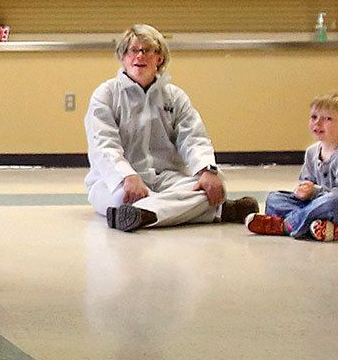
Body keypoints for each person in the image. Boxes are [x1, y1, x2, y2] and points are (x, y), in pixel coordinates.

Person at [84, 24, 259, 232]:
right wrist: (127, 176)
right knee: (123, 198)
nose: (140, 56)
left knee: (208, 187)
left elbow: (194, 138)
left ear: (159, 58)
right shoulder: (106, 95)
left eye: (147, 50)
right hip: (118, 182)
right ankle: (218, 211)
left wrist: (206, 170)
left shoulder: (174, 96)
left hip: (166, 177)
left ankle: (143, 214)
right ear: (123, 57)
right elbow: (104, 145)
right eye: (133, 50)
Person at [248, 92, 338, 241]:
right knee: (274, 198)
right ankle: (320, 226)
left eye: (327, 119)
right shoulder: (312, 152)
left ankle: (286, 225)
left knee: (332, 202)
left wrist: (315, 192)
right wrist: (301, 191)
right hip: (318, 206)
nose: (317, 123)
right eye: (314, 117)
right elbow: (306, 182)